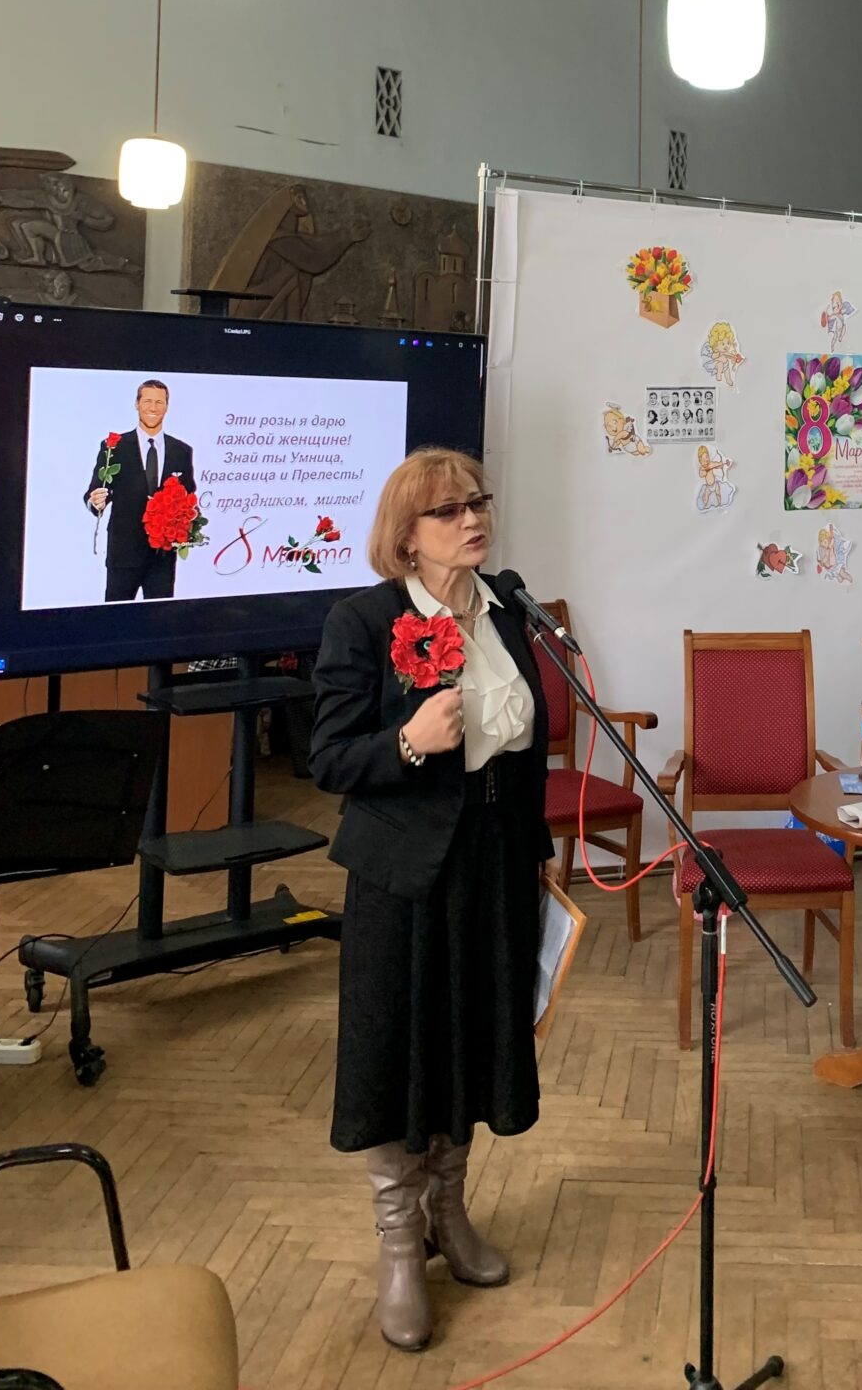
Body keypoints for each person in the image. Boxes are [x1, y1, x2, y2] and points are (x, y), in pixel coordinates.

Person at [308, 447, 553, 1353]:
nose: (473, 520)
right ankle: (399, 1242)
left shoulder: (507, 611)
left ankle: (450, 1212)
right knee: (398, 1045)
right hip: (405, 870)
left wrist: (536, 854)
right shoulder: (363, 621)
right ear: (407, 536)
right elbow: (329, 757)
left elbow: (526, 754)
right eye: (449, 511)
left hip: (495, 858)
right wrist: (408, 742)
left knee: (472, 1035)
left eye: (478, 503)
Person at [84, 378, 196, 601]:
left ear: (167, 406)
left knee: (160, 617)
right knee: (115, 616)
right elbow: (95, 490)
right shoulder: (113, 447)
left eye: (159, 402)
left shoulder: (181, 451)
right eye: (147, 401)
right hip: (123, 554)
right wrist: (94, 501)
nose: (153, 408)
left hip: (162, 557)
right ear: (137, 404)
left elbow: (189, 497)